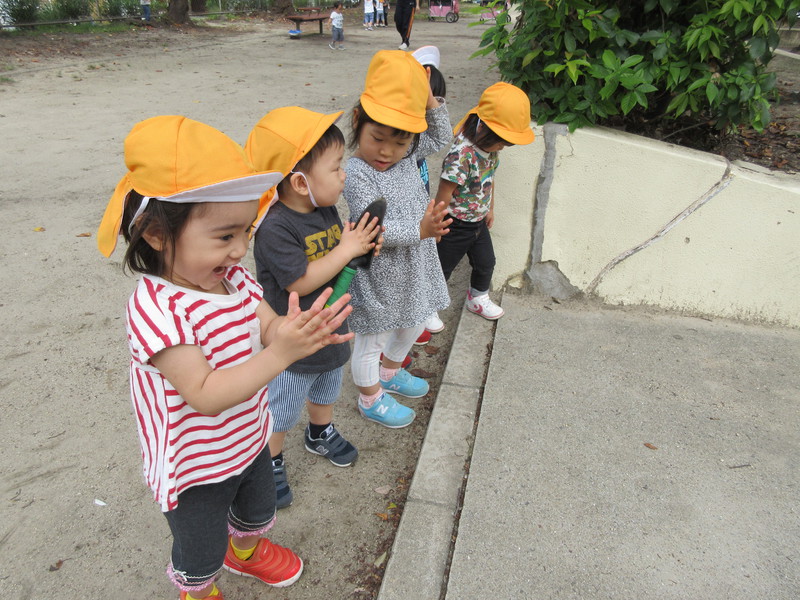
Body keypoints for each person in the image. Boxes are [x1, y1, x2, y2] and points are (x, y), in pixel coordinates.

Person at [96, 115, 353, 600]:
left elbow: (268, 326)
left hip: (248, 437)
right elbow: (205, 394)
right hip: (194, 466)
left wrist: (296, 331)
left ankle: (247, 553)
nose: (240, 251)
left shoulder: (231, 279)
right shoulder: (158, 309)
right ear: (156, 234)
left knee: (256, 512)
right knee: (201, 549)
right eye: (224, 236)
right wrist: (282, 354)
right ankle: (199, 589)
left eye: (245, 232)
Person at [244, 107, 383, 509]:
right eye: (336, 167)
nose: (344, 175)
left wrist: (359, 247)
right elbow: (299, 281)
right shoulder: (275, 227)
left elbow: (339, 258)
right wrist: (345, 251)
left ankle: (319, 432)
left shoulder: (324, 210)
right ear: (300, 183)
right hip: (293, 342)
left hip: (329, 328)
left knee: (327, 385)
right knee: (281, 407)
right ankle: (269, 459)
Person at [344, 50, 452, 428]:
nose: (387, 151)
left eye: (401, 142)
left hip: (415, 265)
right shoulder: (357, 172)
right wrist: (420, 231)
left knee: (413, 323)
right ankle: (370, 398)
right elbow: (370, 227)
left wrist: (426, 96)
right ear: (357, 122)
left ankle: (389, 373)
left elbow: (441, 135)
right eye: (378, 138)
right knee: (372, 338)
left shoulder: (407, 156)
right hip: (380, 273)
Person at [434, 82, 535, 320]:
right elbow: (444, 192)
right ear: (482, 128)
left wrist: (490, 208)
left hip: (478, 222)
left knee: (486, 262)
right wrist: (436, 224)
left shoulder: (490, 150)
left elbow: (489, 178)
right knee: (441, 268)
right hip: (454, 224)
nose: (502, 147)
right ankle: (428, 307)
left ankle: (477, 298)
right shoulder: (462, 154)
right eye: (501, 142)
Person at [412, 45, 448, 334]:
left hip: (422, 217)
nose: (432, 109)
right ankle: (417, 314)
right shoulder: (404, 143)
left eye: (436, 102)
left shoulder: (420, 143)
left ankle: (426, 308)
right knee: (412, 267)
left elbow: (442, 134)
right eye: (426, 102)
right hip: (408, 222)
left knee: (426, 261)